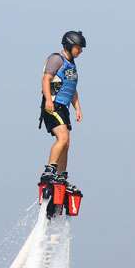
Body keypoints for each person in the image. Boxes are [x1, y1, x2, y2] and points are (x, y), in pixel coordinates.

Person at [39, 30, 86, 193]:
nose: (80, 51)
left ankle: (61, 176)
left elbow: (71, 88)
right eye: (78, 47)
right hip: (52, 105)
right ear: (69, 46)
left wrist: (77, 108)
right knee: (63, 138)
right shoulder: (56, 59)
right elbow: (46, 79)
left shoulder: (71, 65)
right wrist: (48, 100)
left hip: (63, 107)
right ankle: (49, 171)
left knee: (67, 143)